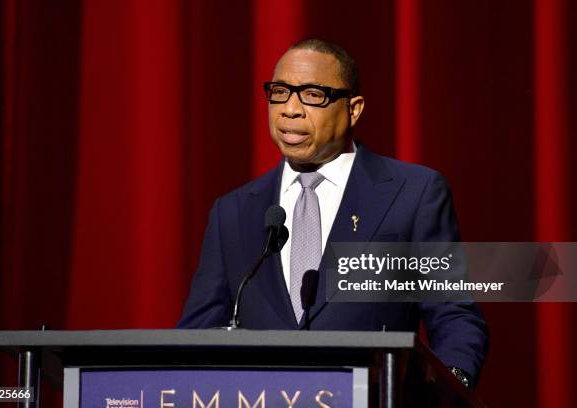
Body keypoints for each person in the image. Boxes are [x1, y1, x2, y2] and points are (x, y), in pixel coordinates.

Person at [177, 39, 488, 387]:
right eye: (279, 92)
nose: (289, 110)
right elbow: (197, 334)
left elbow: (453, 314)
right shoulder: (232, 212)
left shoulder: (414, 194)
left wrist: (447, 387)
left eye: (312, 95)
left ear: (353, 109)